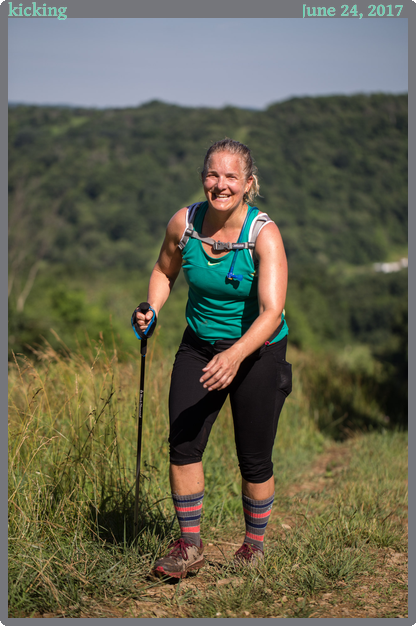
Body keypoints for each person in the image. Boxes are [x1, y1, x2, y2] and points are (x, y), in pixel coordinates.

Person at [134, 138, 292, 579]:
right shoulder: (184, 224)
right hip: (199, 345)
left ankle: (254, 546)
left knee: (254, 455)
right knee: (183, 443)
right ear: (203, 177)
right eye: (212, 175)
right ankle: (188, 545)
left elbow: (271, 311)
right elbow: (164, 272)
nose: (220, 185)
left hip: (258, 350)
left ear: (248, 184)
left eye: (231, 177)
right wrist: (153, 308)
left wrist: (237, 354)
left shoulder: (264, 234)